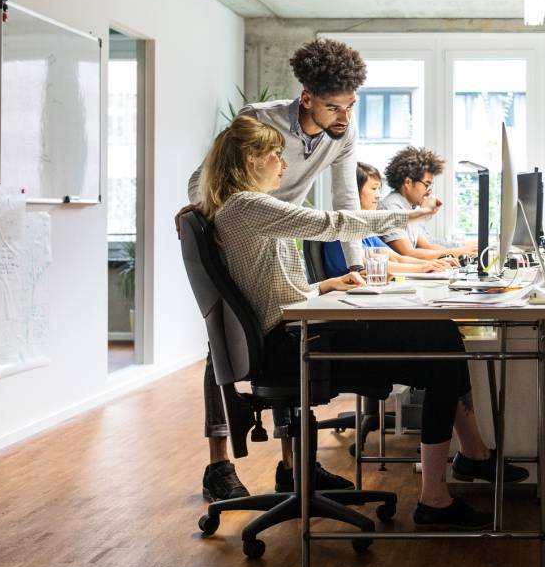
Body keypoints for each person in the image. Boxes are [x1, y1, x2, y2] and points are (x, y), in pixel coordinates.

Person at [201, 116, 525, 529]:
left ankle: (461, 468)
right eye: (275, 155)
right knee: (442, 346)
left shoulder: (238, 209)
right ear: (250, 158)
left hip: (288, 338)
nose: (283, 165)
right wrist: (408, 217)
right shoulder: (248, 205)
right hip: (292, 347)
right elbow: (332, 224)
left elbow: (271, 292)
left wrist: (325, 286)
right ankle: (437, 497)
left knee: (440, 339)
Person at [184, 39, 376, 502]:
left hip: (285, 228)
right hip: (230, 224)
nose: (343, 118)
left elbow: (345, 202)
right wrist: (224, 235)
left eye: (350, 106)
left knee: (289, 337)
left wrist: (356, 263)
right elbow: (207, 178)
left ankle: (296, 470)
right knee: (228, 337)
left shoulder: (341, 133)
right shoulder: (259, 118)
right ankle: (218, 466)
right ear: (306, 98)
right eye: (334, 107)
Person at [320, 163, 451, 277]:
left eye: (379, 189)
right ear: (353, 191)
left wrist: (433, 264)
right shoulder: (340, 227)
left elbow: (397, 259)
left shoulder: (366, 229)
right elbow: (370, 265)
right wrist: (422, 268)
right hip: (343, 298)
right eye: (373, 188)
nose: (378, 196)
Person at [378, 146, 476, 262]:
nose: (429, 191)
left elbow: (426, 246)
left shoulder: (409, 207)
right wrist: (457, 252)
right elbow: (408, 253)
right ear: (408, 182)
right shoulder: (391, 207)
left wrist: (462, 251)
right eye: (427, 184)